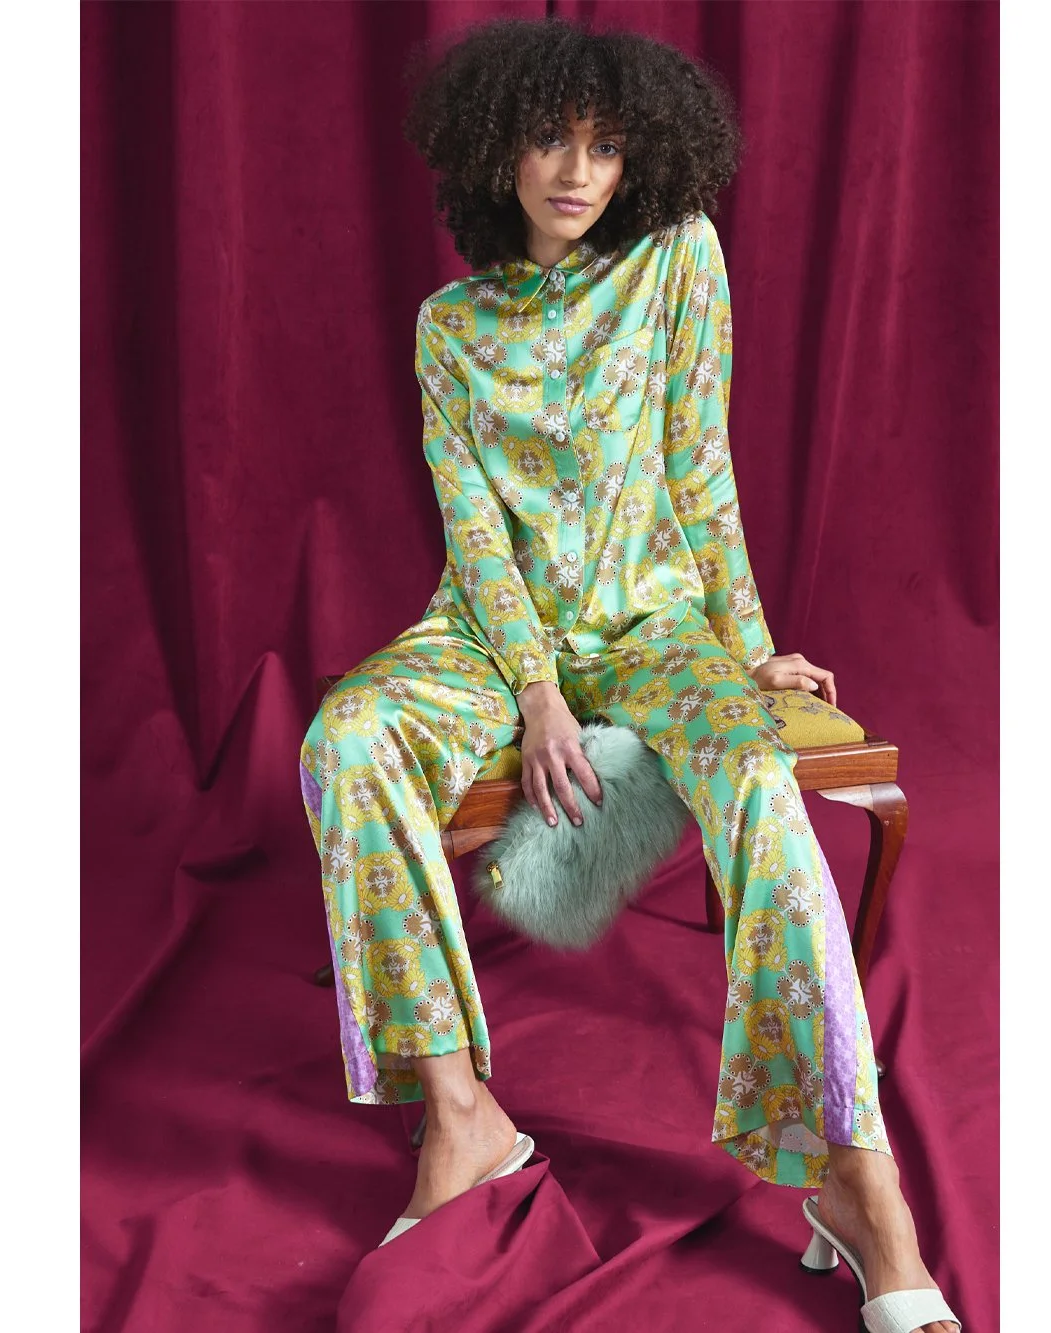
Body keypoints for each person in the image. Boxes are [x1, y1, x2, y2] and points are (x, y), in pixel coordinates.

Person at [297, 17, 960, 1333]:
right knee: (344, 741)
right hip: (491, 634)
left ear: (639, 159)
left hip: (658, 626)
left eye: (606, 148)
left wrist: (751, 644)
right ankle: (462, 1117)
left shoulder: (676, 259)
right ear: (499, 149)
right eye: (553, 140)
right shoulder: (450, 330)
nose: (577, 172)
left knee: (761, 787)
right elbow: (477, 536)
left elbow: (701, 468)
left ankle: (854, 1178)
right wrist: (536, 690)